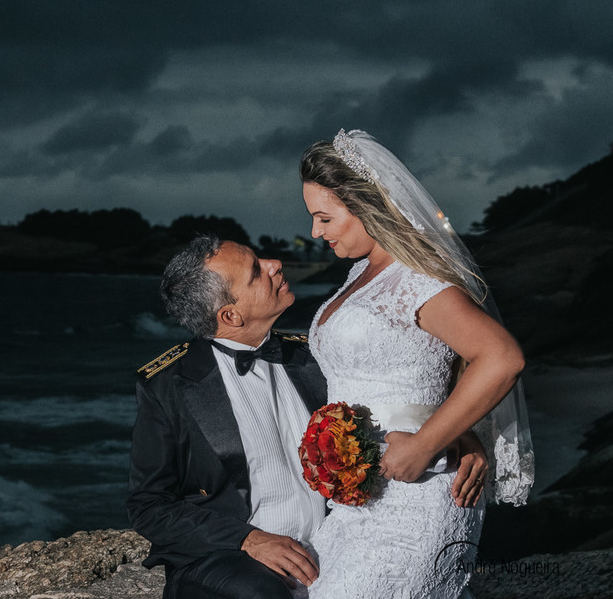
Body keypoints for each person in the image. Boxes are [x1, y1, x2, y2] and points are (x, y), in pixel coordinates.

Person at [127, 235, 488, 599]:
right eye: (256, 272)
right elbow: (148, 505)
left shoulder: (314, 356)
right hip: (230, 554)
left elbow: (386, 403)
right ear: (230, 316)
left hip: (336, 534)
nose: (275, 264)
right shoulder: (167, 385)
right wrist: (248, 539)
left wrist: (454, 432)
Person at [300, 129, 533, 598]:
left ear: (367, 206)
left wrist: (429, 442)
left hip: (419, 494)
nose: (315, 232)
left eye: (324, 218)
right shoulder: (360, 273)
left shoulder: (418, 280)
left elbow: (501, 358)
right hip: (358, 498)